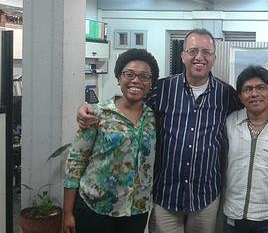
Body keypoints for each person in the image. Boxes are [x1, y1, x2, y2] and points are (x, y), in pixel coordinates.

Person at [77, 29, 243, 233]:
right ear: (182, 56)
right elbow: (129, 104)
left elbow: (254, 109)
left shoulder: (226, 94)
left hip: (205, 196)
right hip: (166, 195)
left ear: (214, 59)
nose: (199, 57)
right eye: (192, 51)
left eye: (206, 52)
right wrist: (91, 109)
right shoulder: (162, 89)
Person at [64, 48, 159, 233]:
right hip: (95, 208)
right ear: (118, 78)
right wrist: (68, 212)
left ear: (151, 83)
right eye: (129, 74)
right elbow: (75, 162)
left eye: (144, 76)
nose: (136, 81)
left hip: (136, 209)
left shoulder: (155, 117)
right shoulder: (97, 114)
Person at [223, 65, 268, 233]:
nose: (254, 94)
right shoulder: (230, 122)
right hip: (234, 214)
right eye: (247, 89)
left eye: (261, 88)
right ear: (240, 96)